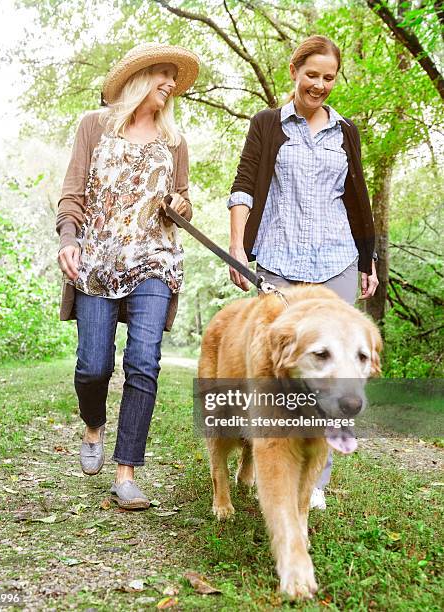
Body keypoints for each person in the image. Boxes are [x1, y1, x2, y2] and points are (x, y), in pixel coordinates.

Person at [227, 35, 378, 510]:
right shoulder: (268, 124)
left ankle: (314, 479)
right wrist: (237, 245)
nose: (319, 84)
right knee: (278, 368)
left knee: (333, 369)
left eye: (328, 77)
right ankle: (270, 456)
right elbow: (244, 186)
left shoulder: (345, 132)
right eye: (311, 74)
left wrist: (368, 260)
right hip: (280, 262)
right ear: (294, 71)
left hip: (337, 262)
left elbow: (357, 200)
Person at [56, 43, 200, 510]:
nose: (170, 84)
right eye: (163, 73)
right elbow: (72, 194)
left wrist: (181, 206)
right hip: (97, 259)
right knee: (93, 365)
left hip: (155, 259)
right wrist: (68, 239)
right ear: (139, 76)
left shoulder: (174, 141)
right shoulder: (93, 126)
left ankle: (126, 472)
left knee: (143, 360)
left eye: (173, 78)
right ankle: (93, 423)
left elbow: (182, 199)